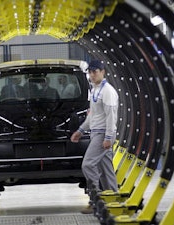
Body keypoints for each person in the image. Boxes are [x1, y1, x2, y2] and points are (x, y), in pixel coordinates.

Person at [70, 60, 119, 214]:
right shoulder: (95, 90)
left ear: (103, 72)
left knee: (88, 165)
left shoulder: (108, 91)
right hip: (95, 132)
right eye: (90, 72)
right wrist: (81, 130)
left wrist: (109, 137)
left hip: (103, 133)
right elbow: (93, 115)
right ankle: (113, 200)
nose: (92, 75)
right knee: (106, 170)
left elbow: (111, 116)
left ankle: (95, 199)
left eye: (95, 71)